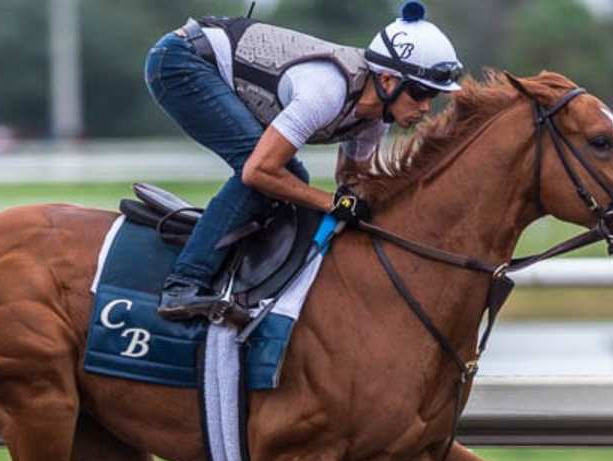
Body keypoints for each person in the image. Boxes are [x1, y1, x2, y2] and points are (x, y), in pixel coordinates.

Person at [144, 2, 464, 320]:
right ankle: (183, 284)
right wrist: (331, 203)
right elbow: (259, 172)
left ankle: (242, 266)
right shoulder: (327, 91)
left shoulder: (376, 118)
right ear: (389, 81)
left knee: (289, 180)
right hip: (181, 62)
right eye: (421, 93)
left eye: (432, 97)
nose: (425, 108)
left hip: (205, 58)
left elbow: (353, 181)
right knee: (277, 175)